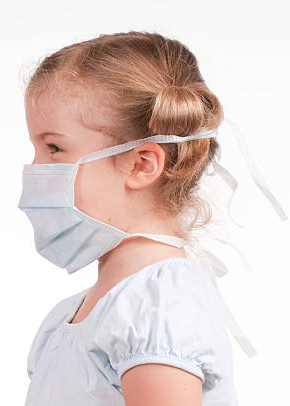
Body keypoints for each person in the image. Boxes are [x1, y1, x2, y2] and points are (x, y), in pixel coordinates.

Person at [18, 31, 287, 405]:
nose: (35, 169)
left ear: (142, 164)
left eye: (54, 148)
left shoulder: (158, 301)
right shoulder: (73, 316)